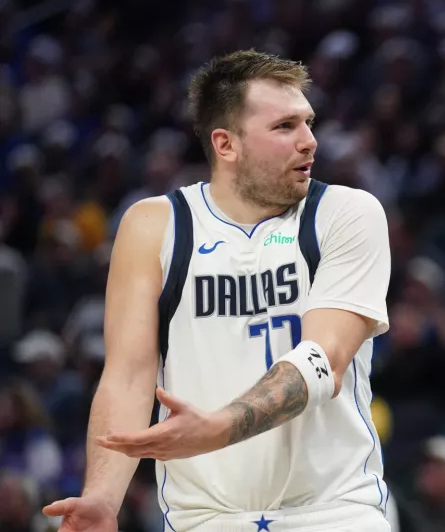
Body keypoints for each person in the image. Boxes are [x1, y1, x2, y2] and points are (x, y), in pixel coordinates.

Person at [42, 49, 392, 531]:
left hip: (333, 512)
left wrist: (218, 428)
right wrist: (102, 497)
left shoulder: (346, 213)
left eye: (308, 122)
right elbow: (128, 376)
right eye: (285, 126)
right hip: (204, 520)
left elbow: (325, 360)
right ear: (226, 144)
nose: (310, 141)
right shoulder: (154, 226)